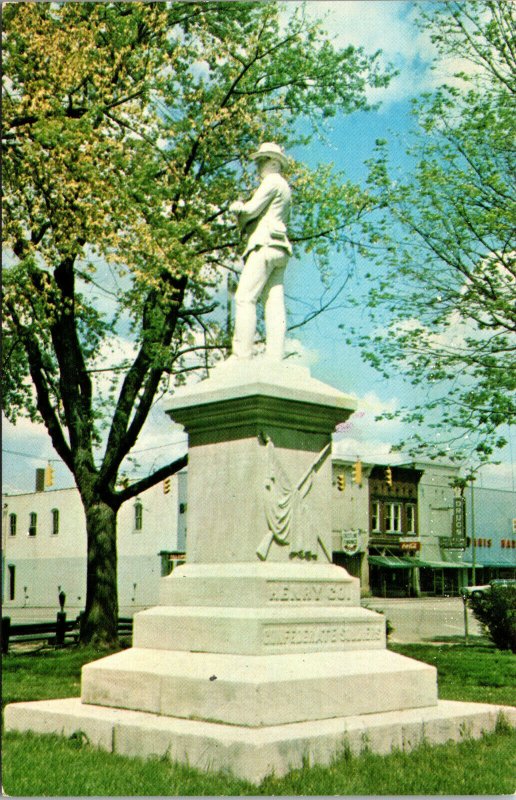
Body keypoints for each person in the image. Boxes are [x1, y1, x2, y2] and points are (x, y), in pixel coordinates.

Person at [230, 142, 292, 361]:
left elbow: (251, 209)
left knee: (245, 298)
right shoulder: (285, 187)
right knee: (273, 303)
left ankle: (241, 356)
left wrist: (238, 208)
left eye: (262, 160)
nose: (258, 165)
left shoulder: (272, 181)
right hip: (280, 247)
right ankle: (276, 355)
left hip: (264, 244)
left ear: (274, 162)